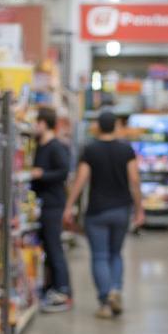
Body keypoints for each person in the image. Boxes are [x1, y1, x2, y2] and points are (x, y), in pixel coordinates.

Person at [63, 109, 144, 319]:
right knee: (116, 254)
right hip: (121, 210)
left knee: (99, 255)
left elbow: (80, 180)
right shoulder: (126, 150)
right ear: (116, 126)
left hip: (97, 211)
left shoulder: (90, 150)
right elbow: (134, 181)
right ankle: (116, 289)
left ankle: (104, 301)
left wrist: (69, 206)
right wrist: (139, 209)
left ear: (98, 127)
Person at [30, 106, 72, 312]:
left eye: (36, 122)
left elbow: (63, 172)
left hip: (53, 204)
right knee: (47, 247)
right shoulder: (39, 145)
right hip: (41, 205)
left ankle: (63, 290)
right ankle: (50, 287)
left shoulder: (55, 147)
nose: (33, 126)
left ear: (43, 123)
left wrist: (42, 174)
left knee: (54, 247)